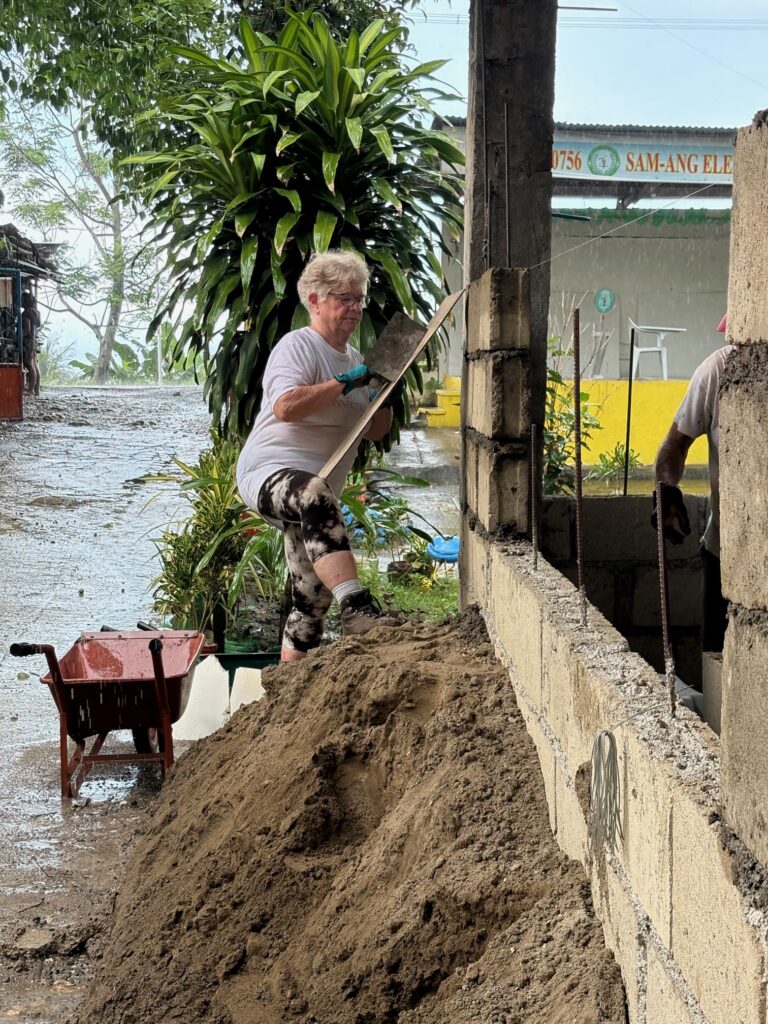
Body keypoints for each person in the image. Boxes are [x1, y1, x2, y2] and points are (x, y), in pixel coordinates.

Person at [236, 250, 401, 662]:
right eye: (344, 298)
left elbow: (375, 432)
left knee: (310, 602)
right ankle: (357, 606)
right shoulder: (299, 346)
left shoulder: (360, 362)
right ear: (314, 299)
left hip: (315, 496)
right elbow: (287, 407)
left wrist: (383, 392)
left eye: (359, 299)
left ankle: (286, 693)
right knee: (313, 491)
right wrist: (345, 382)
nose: (355, 308)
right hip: (269, 474)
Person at [653, 315, 734, 653]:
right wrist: (667, 491)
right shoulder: (719, 369)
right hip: (724, 550)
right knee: (718, 662)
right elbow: (674, 446)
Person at [21, 291, 41, 397]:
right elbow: (37, 326)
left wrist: (20, 337)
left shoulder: (26, 313)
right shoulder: (36, 312)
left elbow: (27, 328)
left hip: (28, 340)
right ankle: (36, 390)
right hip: (34, 339)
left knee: (29, 364)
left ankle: (30, 390)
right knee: (34, 365)